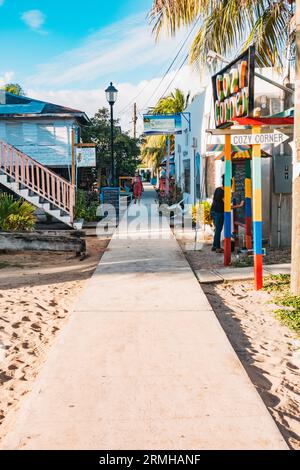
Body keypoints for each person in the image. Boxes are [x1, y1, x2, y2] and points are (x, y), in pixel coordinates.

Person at [211, 175, 225, 253]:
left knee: (217, 229)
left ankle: (214, 245)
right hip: (218, 213)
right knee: (218, 230)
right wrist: (239, 205)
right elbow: (227, 205)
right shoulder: (223, 192)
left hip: (213, 211)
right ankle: (217, 247)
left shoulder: (217, 189)